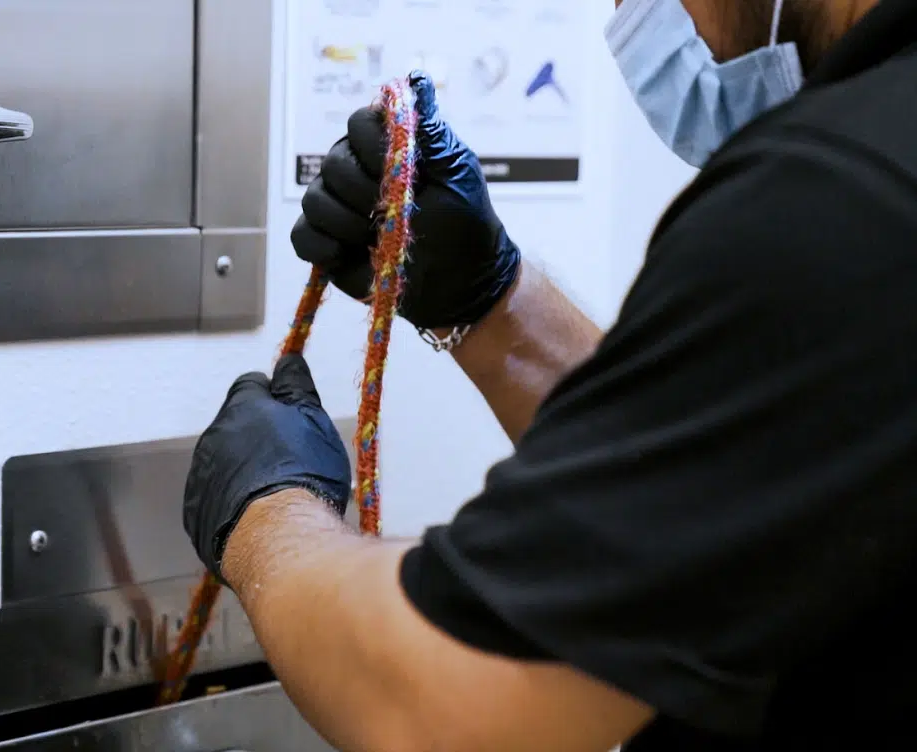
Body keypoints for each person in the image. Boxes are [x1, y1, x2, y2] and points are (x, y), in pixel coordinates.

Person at [181, 0, 917, 749]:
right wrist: (492, 302)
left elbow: (439, 699)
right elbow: (722, 481)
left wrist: (265, 508)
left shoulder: (841, 200)